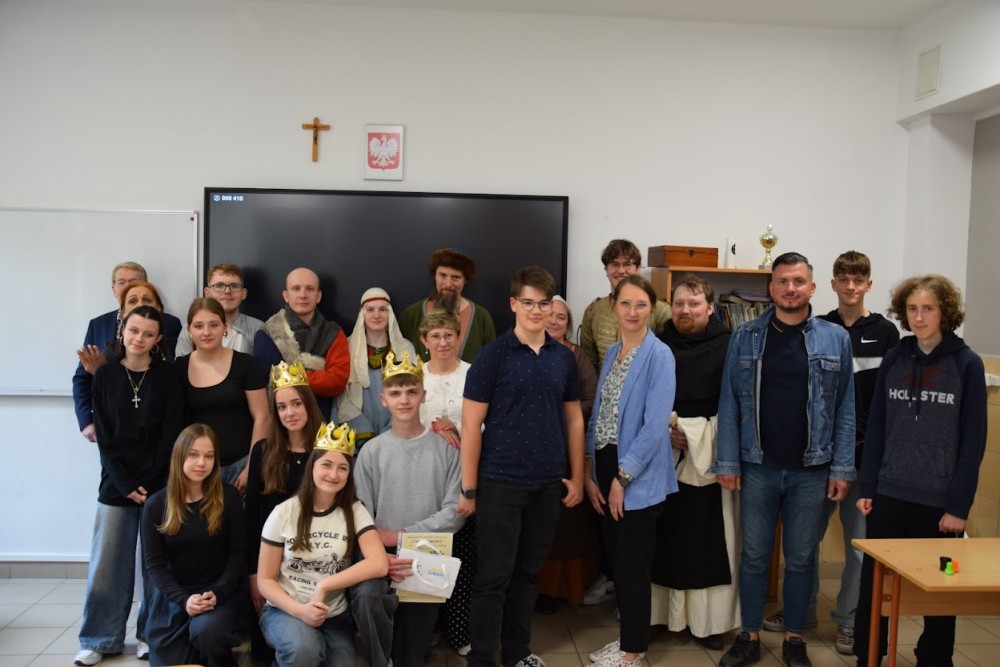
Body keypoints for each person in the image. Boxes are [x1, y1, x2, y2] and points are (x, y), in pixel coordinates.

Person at [715, 252, 856, 667]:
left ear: (812, 287)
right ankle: (750, 636)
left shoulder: (835, 338)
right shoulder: (746, 336)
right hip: (758, 465)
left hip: (812, 470)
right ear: (771, 288)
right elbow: (729, 402)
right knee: (754, 557)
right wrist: (728, 462)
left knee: (801, 559)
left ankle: (795, 638)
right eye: (782, 281)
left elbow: (846, 407)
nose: (790, 289)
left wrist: (842, 468)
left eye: (798, 281)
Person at [763, 251, 899, 656]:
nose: (851, 286)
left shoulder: (886, 333)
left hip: (863, 459)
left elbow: (887, 398)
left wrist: (860, 440)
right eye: (844, 279)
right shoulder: (818, 327)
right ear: (832, 284)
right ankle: (801, 612)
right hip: (818, 459)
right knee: (804, 543)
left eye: (859, 280)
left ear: (869, 284)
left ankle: (849, 621)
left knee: (859, 546)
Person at [853, 274, 986, 667]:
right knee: (875, 585)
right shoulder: (895, 359)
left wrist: (958, 507)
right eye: (912, 309)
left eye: (928, 308)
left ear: (945, 312)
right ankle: (868, 654)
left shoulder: (967, 364)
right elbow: (877, 427)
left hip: (939, 504)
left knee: (940, 588)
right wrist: (868, 486)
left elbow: (973, 443)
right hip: (888, 494)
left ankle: (934, 657)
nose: (919, 317)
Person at [459, 266, 585, 667]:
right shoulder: (492, 356)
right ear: (513, 304)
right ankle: (482, 658)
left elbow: (574, 419)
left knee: (528, 575)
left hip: (547, 483)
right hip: (499, 482)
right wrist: (468, 489)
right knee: (493, 577)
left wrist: (578, 476)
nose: (536, 311)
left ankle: (517, 652)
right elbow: (470, 425)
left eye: (543, 304)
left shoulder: (563, 358)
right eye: (528, 302)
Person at [76, 306, 185, 667]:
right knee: (108, 565)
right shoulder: (105, 374)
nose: (139, 339)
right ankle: (99, 638)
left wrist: (149, 481)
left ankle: (150, 636)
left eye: (148, 334)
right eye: (134, 331)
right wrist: (125, 483)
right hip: (115, 485)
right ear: (122, 330)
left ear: (158, 340)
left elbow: (172, 431)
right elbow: (105, 437)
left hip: (158, 483)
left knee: (157, 566)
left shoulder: (168, 376)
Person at [585, 275, 677, 667]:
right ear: (614, 306)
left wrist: (622, 479)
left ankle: (632, 652)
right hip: (606, 465)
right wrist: (591, 470)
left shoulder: (660, 355)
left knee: (633, 567)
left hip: (636, 472)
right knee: (617, 563)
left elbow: (655, 427)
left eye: (641, 305)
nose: (633, 312)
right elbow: (599, 415)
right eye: (626, 303)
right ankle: (627, 641)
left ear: (652, 309)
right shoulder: (612, 352)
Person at [354, 350, 464, 667]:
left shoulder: (447, 449)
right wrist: (380, 553)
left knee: (412, 657)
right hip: (380, 555)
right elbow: (360, 513)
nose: (404, 399)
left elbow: (454, 512)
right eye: (395, 393)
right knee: (367, 597)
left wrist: (403, 536)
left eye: (411, 391)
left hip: (426, 556)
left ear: (423, 395)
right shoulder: (372, 452)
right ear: (383, 399)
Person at [650, 274, 738, 650]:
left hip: (709, 454)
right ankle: (661, 617)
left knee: (706, 542)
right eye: (680, 303)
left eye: (694, 303)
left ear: (710, 307)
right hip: (663, 455)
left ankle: (708, 624)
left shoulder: (728, 345)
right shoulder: (657, 344)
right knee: (662, 539)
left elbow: (736, 403)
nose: (685, 310)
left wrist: (695, 433)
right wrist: (664, 431)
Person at [256, 422, 389, 667]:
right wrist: (300, 611)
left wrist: (325, 585)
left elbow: (379, 563)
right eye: (326, 464)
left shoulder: (355, 510)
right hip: (285, 610)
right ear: (312, 467)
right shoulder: (284, 512)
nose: (333, 474)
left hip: (333, 615)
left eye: (342, 468)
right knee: (304, 650)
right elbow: (264, 580)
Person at [141, 424, 246, 667]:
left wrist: (218, 593)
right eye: (194, 455)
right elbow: (155, 566)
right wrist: (184, 600)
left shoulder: (229, 496)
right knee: (172, 661)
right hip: (176, 595)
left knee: (207, 632)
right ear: (179, 456)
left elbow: (238, 553)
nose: (201, 463)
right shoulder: (156, 505)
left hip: (219, 592)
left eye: (209, 456)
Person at [244, 361, 325, 661]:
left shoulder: (326, 450)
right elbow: (252, 518)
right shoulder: (263, 451)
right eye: (281, 407)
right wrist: (254, 575)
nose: (290, 412)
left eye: (296, 404)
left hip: (315, 563)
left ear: (308, 404)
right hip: (271, 565)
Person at [536, 295, 600, 611]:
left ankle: (560, 591)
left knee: (567, 523)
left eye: (561, 317)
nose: (554, 321)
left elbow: (591, 399)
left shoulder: (578, 357)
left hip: (569, 447)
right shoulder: (524, 352)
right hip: (533, 449)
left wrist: (560, 412)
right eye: (550, 314)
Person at [417, 310, 475, 656]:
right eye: (435, 336)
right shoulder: (415, 375)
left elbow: (485, 423)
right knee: (429, 552)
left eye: (449, 335)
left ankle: (458, 630)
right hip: (424, 478)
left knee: (463, 555)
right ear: (424, 341)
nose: (443, 342)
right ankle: (429, 626)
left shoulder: (473, 374)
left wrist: (459, 428)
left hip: (463, 475)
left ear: (458, 337)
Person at [73, 262, 181, 442]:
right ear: (114, 290)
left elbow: (174, 378)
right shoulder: (98, 325)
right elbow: (83, 378)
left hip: (158, 425)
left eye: (134, 281)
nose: (128, 287)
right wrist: (86, 421)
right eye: (121, 282)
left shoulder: (171, 324)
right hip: (111, 424)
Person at [175, 298, 269, 490]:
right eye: (199, 326)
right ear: (189, 330)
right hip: (197, 468)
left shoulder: (246, 364)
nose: (206, 332)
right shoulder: (179, 368)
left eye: (214, 325)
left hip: (241, 465)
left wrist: (252, 466)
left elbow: (262, 417)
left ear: (225, 327)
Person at [254, 267, 349, 416]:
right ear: (286, 295)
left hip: (324, 421)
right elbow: (274, 382)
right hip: (283, 419)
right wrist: (318, 371)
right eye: (296, 288)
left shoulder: (334, 333)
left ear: (318, 296)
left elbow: (337, 381)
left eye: (309, 289)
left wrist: (293, 375)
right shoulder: (267, 333)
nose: (303, 295)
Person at [333, 287, 416, 449]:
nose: (376, 315)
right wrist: (361, 428)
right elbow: (342, 396)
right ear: (362, 315)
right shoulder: (347, 347)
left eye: (382, 309)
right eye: (370, 310)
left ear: (389, 313)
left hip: (398, 427)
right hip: (358, 428)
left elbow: (413, 391)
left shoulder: (405, 348)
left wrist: (394, 428)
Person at [579, 239, 671, 374]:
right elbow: (589, 363)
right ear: (606, 270)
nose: (621, 270)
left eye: (628, 264)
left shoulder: (659, 310)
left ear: (637, 269)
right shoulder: (593, 311)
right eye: (614, 264)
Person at [398, 248, 497, 363]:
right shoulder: (411, 315)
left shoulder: (481, 317)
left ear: (465, 280)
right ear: (435, 276)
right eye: (443, 275)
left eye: (456, 277)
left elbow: (492, 361)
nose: (448, 284)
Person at [176, 263, 263, 356]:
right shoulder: (192, 328)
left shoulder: (258, 328)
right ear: (207, 293)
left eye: (234, 286)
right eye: (219, 286)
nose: (227, 291)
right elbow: (183, 364)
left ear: (243, 293)